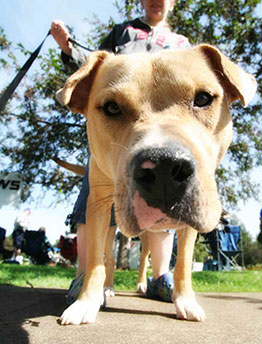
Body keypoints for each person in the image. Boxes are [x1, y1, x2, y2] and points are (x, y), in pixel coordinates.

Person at [51, 0, 190, 304]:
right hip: (118, 125)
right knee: (97, 193)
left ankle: (159, 278)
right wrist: (68, 47)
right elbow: (94, 69)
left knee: (163, 200)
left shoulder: (182, 44)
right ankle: (87, 275)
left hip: (166, 128)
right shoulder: (123, 32)